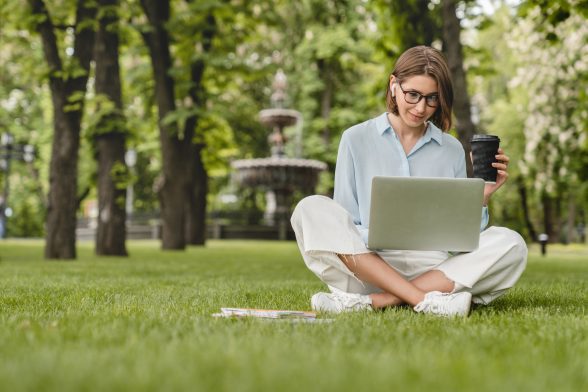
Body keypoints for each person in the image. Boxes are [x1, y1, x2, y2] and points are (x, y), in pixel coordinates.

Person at [290, 46, 528, 317]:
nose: (421, 107)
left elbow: (460, 242)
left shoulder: (450, 149)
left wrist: (482, 196)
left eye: (431, 99)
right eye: (412, 94)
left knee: (512, 243)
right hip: (368, 266)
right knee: (310, 208)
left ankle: (375, 302)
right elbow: (347, 222)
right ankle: (426, 300)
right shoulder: (355, 138)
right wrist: (378, 237)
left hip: (432, 269)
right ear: (394, 85)